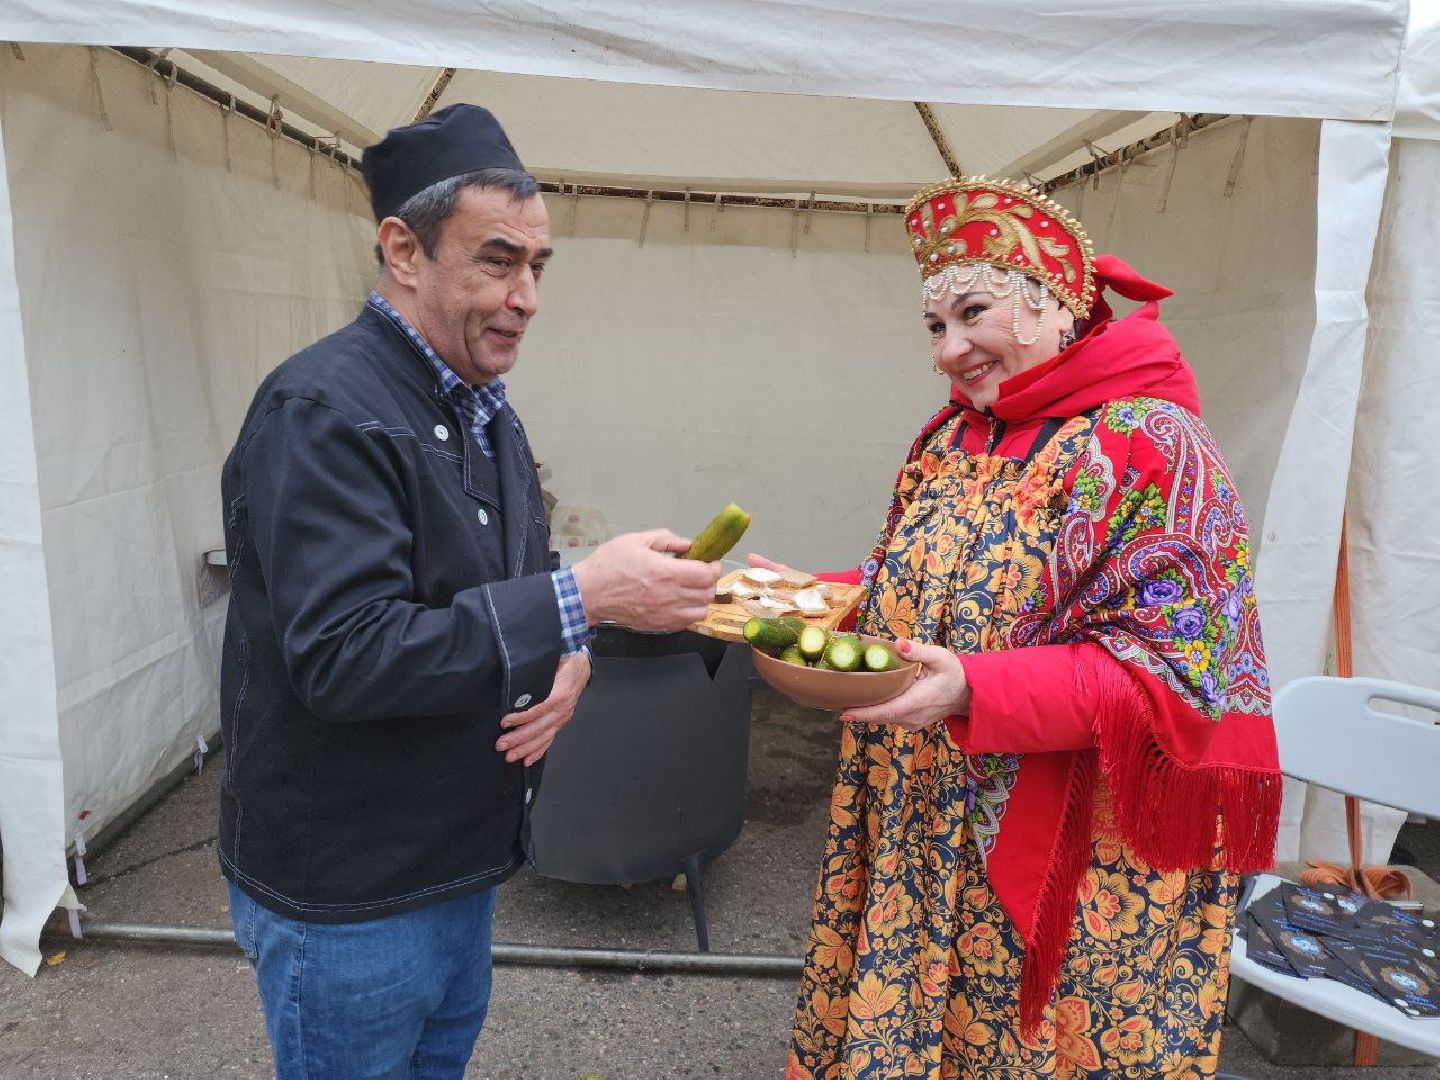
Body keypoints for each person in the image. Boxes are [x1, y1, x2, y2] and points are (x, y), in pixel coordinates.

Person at [217, 103, 721, 1079]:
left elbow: (500, 585)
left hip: (458, 864)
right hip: (352, 891)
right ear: (403, 251)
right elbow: (346, 656)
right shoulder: (322, 409)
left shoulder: (487, 411)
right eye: (497, 261)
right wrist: (583, 600)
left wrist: (568, 652)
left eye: (537, 267)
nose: (525, 296)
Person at [776, 177, 1281, 1078]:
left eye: (974, 313)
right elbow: (912, 581)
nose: (950, 349)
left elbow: (1179, 670)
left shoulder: (1154, 444)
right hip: (924, 801)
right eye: (935, 325)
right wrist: (794, 596)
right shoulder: (951, 438)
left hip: (1076, 847)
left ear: (1058, 302)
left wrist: (979, 686)